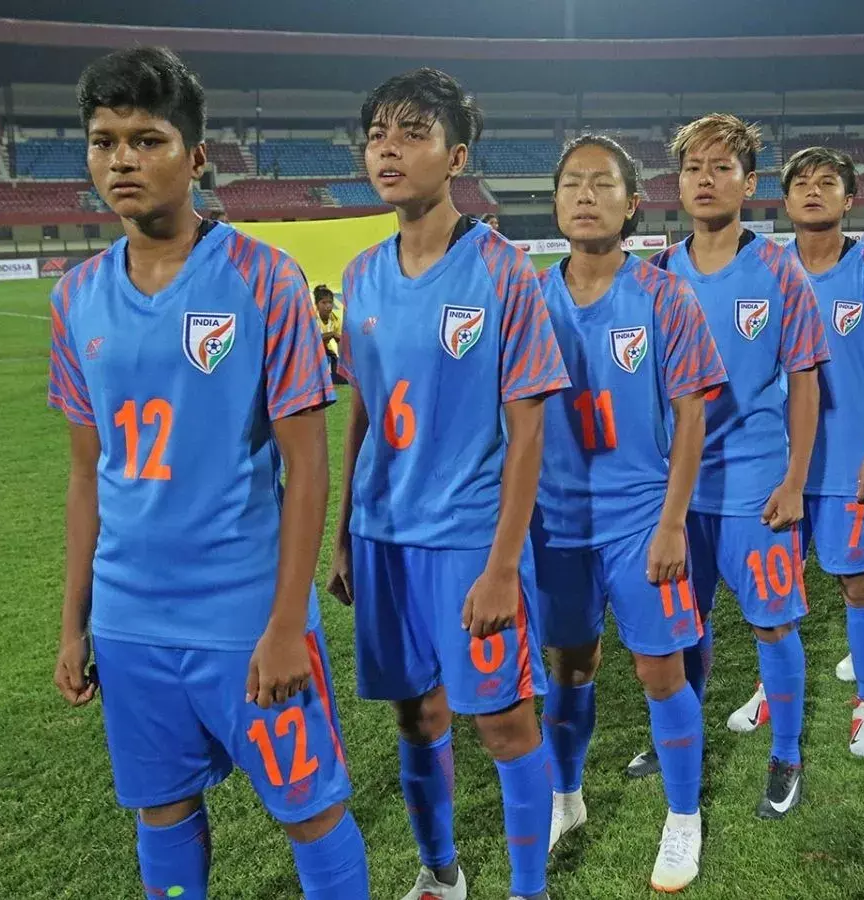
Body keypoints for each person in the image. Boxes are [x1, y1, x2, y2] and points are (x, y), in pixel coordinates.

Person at [49, 47, 368, 900]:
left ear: (194, 158)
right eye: (104, 142)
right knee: (161, 810)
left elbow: (308, 467)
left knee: (310, 810)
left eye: (147, 140)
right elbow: (87, 476)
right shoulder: (75, 298)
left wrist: (287, 624)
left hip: (244, 610)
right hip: (129, 617)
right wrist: (75, 623)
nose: (122, 160)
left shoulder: (264, 279)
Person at [328, 68, 570, 900]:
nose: (389, 150)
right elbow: (362, 411)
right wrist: (344, 531)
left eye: (413, 133)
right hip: (384, 537)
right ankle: (441, 874)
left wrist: (503, 567)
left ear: (457, 156)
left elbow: (528, 431)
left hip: (471, 538)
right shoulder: (360, 275)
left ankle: (528, 888)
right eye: (377, 135)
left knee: (503, 721)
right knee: (416, 715)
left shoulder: (501, 270)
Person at [532, 135, 726, 891]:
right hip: (555, 525)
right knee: (569, 665)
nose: (586, 195)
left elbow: (692, 417)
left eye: (602, 183)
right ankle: (566, 797)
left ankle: (683, 817)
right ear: (554, 202)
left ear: (633, 203)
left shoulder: (663, 296)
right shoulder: (528, 300)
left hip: (642, 520)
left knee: (660, 669)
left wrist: (674, 524)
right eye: (572, 183)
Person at [623, 113, 829, 822]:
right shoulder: (655, 275)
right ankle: (679, 735)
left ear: (749, 182)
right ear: (677, 184)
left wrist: (795, 481)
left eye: (721, 167)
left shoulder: (778, 269)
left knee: (772, 625)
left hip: (755, 486)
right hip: (676, 493)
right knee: (686, 625)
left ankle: (787, 754)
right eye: (693, 168)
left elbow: (805, 381)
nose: (705, 180)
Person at [768, 145, 864, 752]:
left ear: (849, 200)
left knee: (860, 585)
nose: (813, 190)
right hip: (778, 464)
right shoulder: (767, 270)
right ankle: (771, 688)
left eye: (827, 182)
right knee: (774, 591)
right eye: (802, 182)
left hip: (849, 458)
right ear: (785, 199)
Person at [314, 284, 346, 384]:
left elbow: (339, 341)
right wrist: (332, 334)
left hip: (327, 352)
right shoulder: (312, 318)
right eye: (324, 303)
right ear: (316, 304)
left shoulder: (336, 320)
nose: (328, 306)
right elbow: (313, 340)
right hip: (312, 353)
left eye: (330, 302)